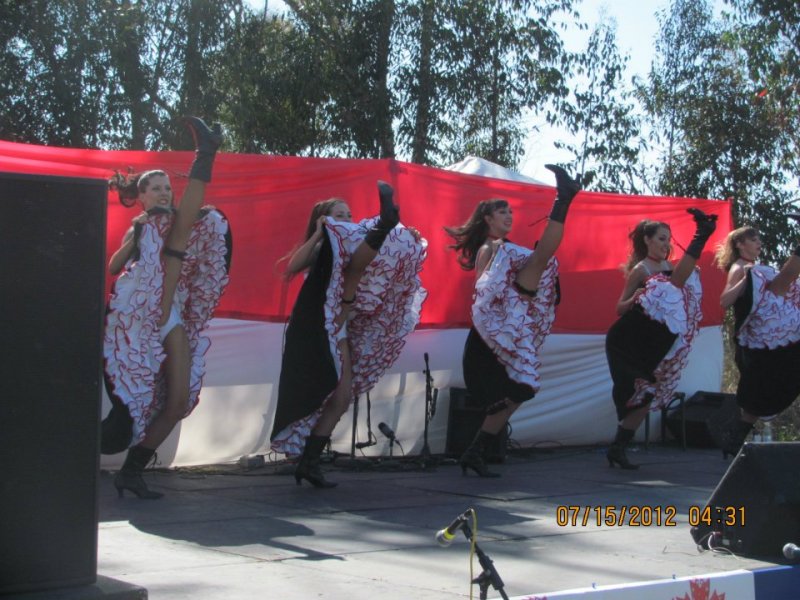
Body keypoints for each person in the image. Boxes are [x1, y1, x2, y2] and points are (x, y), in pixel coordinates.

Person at [103, 117, 231, 499]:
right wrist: (139, 233)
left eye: (166, 187)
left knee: (178, 402)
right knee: (178, 233)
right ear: (141, 196)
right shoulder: (141, 224)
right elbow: (113, 267)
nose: (162, 192)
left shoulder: (178, 222)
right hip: (141, 313)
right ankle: (205, 152)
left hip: (168, 309)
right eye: (155, 188)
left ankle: (131, 471)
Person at [270, 183, 427, 488]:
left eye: (349, 215)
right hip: (315, 325)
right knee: (323, 393)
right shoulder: (322, 247)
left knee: (341, 398)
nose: (346, 219)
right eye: (338, 215)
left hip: (341, 323)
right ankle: (384, 226)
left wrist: (406, 238)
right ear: (324, 219)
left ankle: (309, 462)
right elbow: (292, 266)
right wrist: (319, 233)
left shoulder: (354, 245)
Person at [444, 164, 581, 477]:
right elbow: (484, 295)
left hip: (511, 323)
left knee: (520, 390)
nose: (509, 216)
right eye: (502, 212)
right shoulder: (490, 248)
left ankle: (475, 452)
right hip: (492, 335)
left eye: (510, 212)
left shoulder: (507, 249)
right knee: (541, 257)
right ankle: (563, 199)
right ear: (487, 219)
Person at [604, 209, 717, 469]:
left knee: (645, 398)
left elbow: (680, 288)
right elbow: (619, 308)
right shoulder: (641, 269)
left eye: (669, 239)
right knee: (638, 393)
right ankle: (618, 449)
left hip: (652, 342)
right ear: (647, 240)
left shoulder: (670, 268)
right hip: (627, 341)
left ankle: (617, 448)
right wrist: (634, 298)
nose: (666, 244)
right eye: (661, 239)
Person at [711, 223, 800, 457]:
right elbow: (725, 301)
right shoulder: (739, 268)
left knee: (761, 391)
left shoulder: (756, 267)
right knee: (761, 390)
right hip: (760, 338)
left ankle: (733, 440)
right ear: (740, 244)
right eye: (753, 239)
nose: (759, 243)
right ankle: (733, 440)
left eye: (759, 239)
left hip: (773, 333)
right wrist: (745, 280)